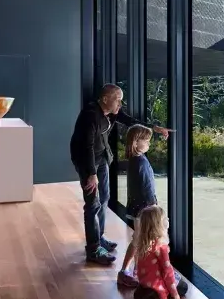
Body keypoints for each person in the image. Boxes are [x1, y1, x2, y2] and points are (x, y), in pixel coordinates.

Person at [69, 84, 170, 265]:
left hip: (101, 158)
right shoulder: (90, 116)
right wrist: (91, 174)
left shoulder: (113, 112)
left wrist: (154, 128)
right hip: (86, 162)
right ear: (105, 99)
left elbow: (131, 120)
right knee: (92, 203)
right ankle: (93, 249)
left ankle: (99, 238)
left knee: (105, 197)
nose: (120, 103)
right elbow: (87, 146)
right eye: (118, 99)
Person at [117, 125, 157, 287]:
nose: (149, 144)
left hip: (137, 207)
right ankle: (126, 271)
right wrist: (153, 205)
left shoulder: (135, 161)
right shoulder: (140, 162)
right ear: (136, 142)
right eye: (146, 141)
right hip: (143, 208)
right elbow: (146, 186)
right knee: (139, 240)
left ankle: (136, 269)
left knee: (139, 239)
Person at [132, 205, 188, 299]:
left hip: (145, 281)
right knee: (184, 286)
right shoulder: (161, 247)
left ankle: (146, 290)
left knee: (176, 276)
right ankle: (157, 293)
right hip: (155, 283)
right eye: (165, 219)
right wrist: (174, 294)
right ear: (159, 225)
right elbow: (167, 271)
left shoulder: (143, 243)